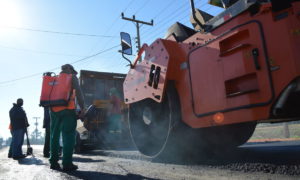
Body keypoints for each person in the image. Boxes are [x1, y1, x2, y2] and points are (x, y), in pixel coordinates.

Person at [49, 64, 85, 171]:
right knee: (68, 136)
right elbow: (78, 92)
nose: (73, 73)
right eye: (73, 70)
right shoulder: (71, 77)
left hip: (53, 110)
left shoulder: (54, 79)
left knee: (54, 136)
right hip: (68, 110)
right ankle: (67, 163)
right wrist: (83, 107)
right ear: (69, 69)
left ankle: (53, 162)